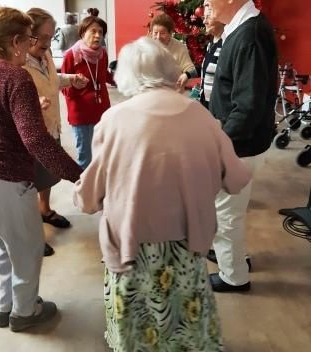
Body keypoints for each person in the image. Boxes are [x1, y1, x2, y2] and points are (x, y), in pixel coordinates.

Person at [73, 36, 251, 351]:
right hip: (187, 243)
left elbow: (89, 196)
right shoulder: (202, 117)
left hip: (131, 246)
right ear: (169, 70)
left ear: (125, 75)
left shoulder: (113, 120)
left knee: (138, 328)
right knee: (185, 326)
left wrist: (82, 196)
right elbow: (236, 179)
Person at [0, 6, 82, 331]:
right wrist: (79, 174)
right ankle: (25, 313)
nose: (34, 45)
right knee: (28, 248)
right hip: (5, 180)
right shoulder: (16, 77)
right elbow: (37, 142)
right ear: (16, 41)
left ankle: (5, 307)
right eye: (30, 39)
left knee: (7, 246)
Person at [204, 0, 278, 292]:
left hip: (240, 144)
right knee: (231, 208)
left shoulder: (249, 34)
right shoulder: (244, 27)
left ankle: (234, 276)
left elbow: (246, 106)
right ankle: (236, 257)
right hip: (242, 141)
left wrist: (219, 140)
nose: (207, 3)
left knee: (226, 213)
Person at [24, 8, 87, 256]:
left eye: (52, 37)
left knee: (47, 175)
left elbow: (52, 79)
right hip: (31, 133)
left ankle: (44, 209)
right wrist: (32, 103)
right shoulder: (18, 63)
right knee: (28, 183)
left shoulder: (45, 55)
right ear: (27, 35)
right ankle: (30, 234)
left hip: (51, 125)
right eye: (43, 37)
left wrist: (71, 79)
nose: (48, 43)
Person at [61, 15, 112, 170]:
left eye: (101, 32)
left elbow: (106, 75)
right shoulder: (72, 55)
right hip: (81, 113)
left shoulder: (102, 54)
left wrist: (123, 78)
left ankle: (99, 186)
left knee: (102, 152)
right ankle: (84, 190)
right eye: (93, 31)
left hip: (102, 110)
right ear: (83, 33)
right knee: (85, 156)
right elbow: (63, 86)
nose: (98, 35)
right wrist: (74, 87)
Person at [150, 12, 197, 89]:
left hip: (173, 91)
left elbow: (192, 70)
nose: (158, 37)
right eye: (155, 33)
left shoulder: (179, 47)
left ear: (170, 33)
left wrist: (186, 75)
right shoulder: (146, 46)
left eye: (162, 33)